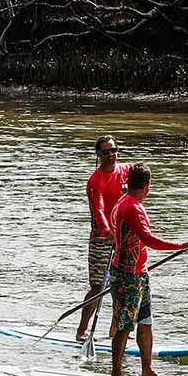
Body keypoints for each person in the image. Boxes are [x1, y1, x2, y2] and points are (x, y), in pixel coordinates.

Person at [105, 163, 188, 376]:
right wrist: (178, 245)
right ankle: (116, 374)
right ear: (147, 186)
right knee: (125, 325)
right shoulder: (131, 207)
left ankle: (147, 370)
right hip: (127, 277)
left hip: (139, 273)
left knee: (145, 323)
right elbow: (148, 239)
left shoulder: (125, 201)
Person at [75, 135, 128, 344]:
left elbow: (143, 180)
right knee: (99, 286)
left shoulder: (126, 170)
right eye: (105, 152)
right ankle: (82, 330)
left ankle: (116, 330)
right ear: (98, 154)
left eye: (113, 150)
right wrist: (108, 232)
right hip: (101, 238)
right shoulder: (95, 181)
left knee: (123, 284)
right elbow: (97, 210)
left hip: (124, 236)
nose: (111, 155)